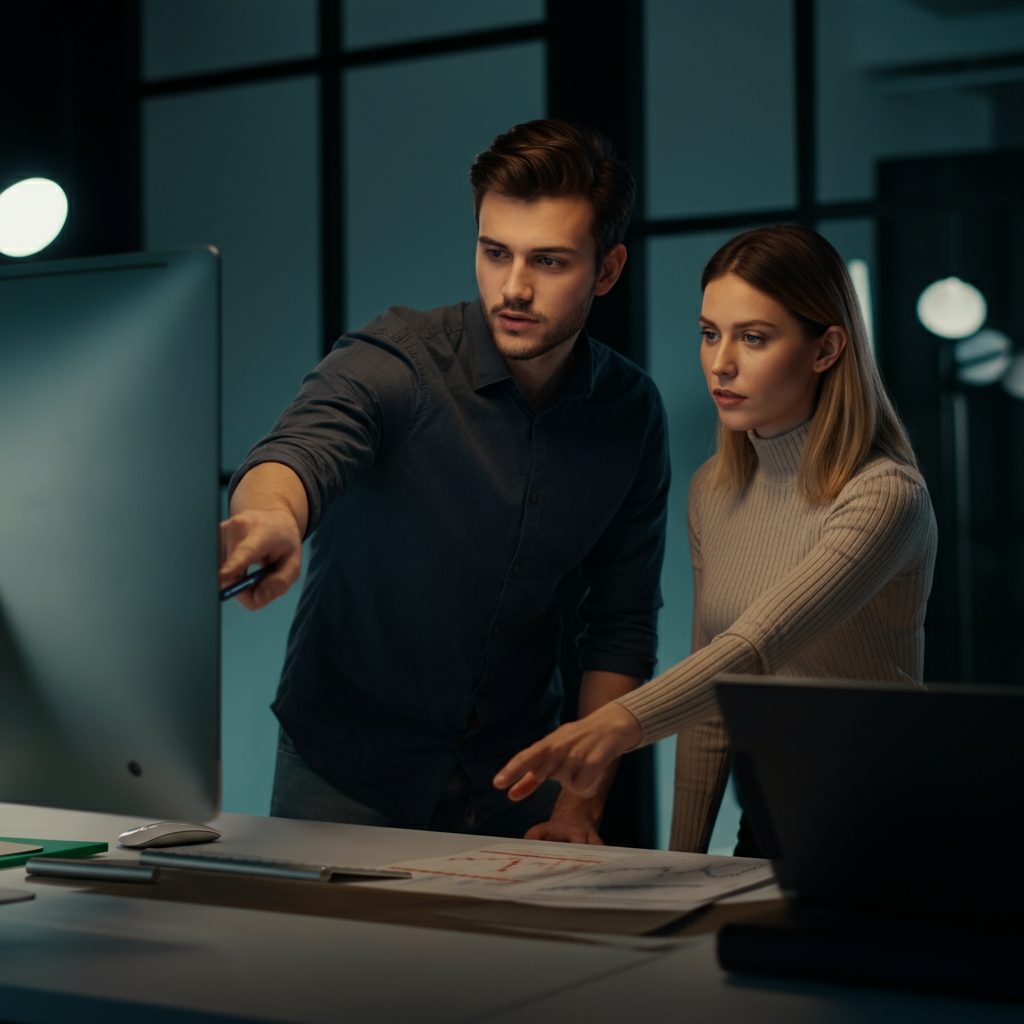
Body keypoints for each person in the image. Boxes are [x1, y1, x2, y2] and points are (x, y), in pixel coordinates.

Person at [219, 120, 670, 843]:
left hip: (519, 776)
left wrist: (577, 807)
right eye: (495, 253)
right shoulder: (397, 359)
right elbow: (301, 449)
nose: (514, 288)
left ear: (607, 270)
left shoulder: (632, 412)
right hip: (347, 769)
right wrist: (272, 516)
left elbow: (620, 625)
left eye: (549, 262)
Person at [493, 224, 938, 854]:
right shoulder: (714, 489)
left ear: (826, 348)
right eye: (710, 334)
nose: (721, 362)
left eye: (753, 338)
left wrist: (619, 723)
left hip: (886, 822)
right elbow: (715, 696)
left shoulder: (884, 495)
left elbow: (757, 644)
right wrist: (682, 863)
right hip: (771, 816)